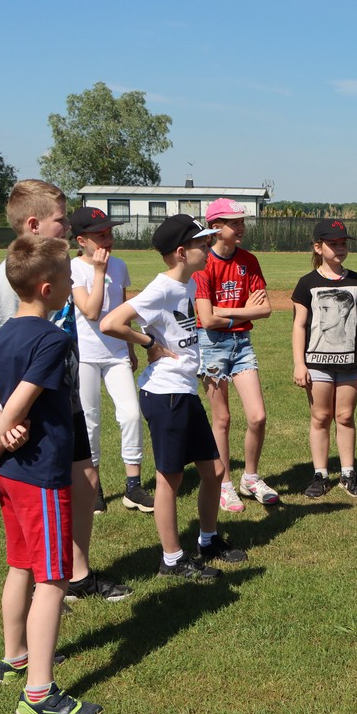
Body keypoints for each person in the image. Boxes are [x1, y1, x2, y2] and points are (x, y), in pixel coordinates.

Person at [0, 236, 102, 714]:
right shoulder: (52, 338)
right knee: (53, 578)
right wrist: (1, 435)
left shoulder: (1, 335)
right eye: (69, 279)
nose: (73, 284)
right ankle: (39, 694)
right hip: (40, 474)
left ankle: (16, 657)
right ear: (48, 288)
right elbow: (17, 402)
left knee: (21, 564)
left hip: (10, 475)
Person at [0, 179, 130, 603]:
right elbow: (2, 354)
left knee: (85, 480)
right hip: (35, 412)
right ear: (33, 224)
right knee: (45, 503)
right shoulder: (8, 281)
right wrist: (7, 423)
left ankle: (76, 575)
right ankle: (45, 588)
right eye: (61, 221)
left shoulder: (62, 268)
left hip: (67, 398)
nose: (68, 228)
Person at [101, 214, 247, 580]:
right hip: (165, 395)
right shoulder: (162, 287)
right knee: (170, 480)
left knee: (214, 471)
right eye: (202, 245)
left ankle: (209, 540)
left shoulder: (188, 284)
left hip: (183, 390)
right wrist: (149, 343)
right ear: (182, 252)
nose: (208, 249)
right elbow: (111, 323)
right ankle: (171, 560)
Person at [192, 198, 278, 512]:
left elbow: (265, 309)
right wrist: (244, 312)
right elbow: (207, 319)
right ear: (216, 228)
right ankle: (224, 485)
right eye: (234, 223)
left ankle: (250, 478)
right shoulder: (203, 264)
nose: (241, 227)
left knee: (258, 416)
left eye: (241, 222)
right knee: (222, 419)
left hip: (242, 344)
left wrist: (227, 313)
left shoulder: (249, 260)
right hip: (211, 345)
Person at [69, 206, 152, 514]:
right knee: (90, 423)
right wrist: (99, 272)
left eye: (109, 233)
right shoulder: (73, 268)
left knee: (130, 414)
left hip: (116, 353)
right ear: (81, 240)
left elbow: (122, 309)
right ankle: (94, 487)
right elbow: (90, 311)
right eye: (100, 235)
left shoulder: (119, 265)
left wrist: (130, 348)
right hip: (86, 357)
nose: (108, 239)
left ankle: (134, 487)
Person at [291, 219, 357, 498]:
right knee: (321, 417)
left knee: (346, 416)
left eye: (343, 244)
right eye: (333, 244)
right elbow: (299, 325)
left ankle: (348, 474)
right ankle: (320, 474)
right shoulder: (307, 284)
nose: (340, 248)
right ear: (318, 247)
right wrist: (299, 363)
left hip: (351, 362)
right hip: (316, 364)